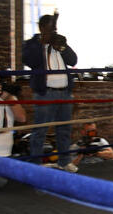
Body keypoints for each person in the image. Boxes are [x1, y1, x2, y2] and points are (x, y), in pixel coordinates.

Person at [22, 14, 78, 173]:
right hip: (45, 94)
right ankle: (35, 166)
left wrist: (64, 47)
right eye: (50, 29)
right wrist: (42, 43)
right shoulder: (32, 43)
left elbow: (73, 60)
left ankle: (64, 161)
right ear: (41, 28)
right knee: (40, 131)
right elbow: (28, 60)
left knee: (64, 129)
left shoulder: (59, 42)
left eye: (55, 28)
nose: (53, 32)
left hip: (65, 93)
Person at [0, 80, 26, 188]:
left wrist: (7, 97)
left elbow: (22, 118)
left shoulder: (10, 97)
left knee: (1, 182)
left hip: (4, 152)